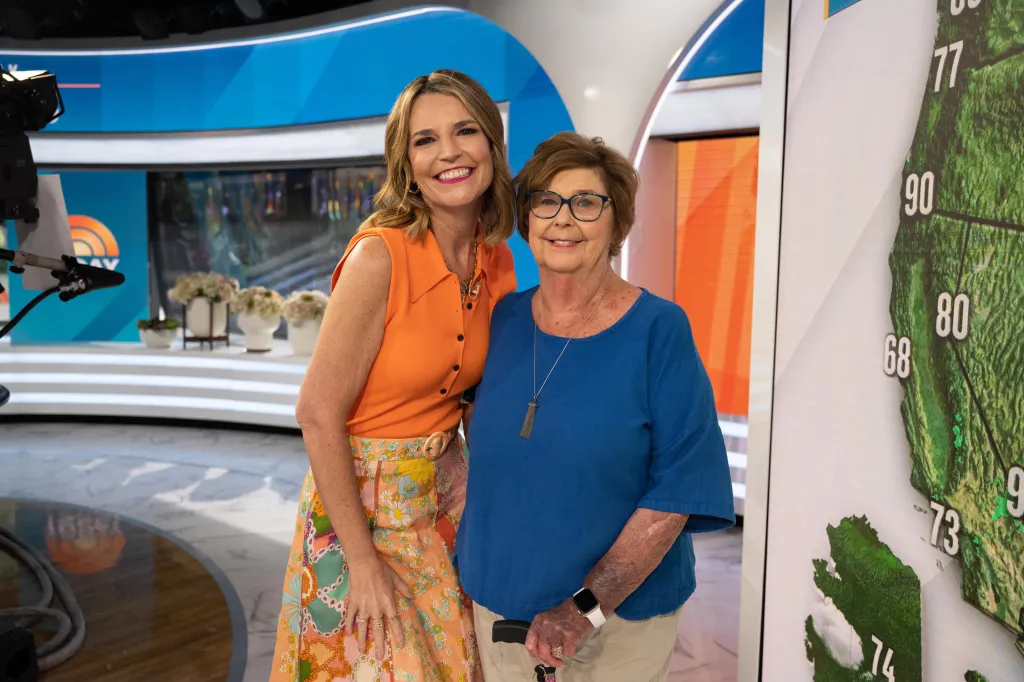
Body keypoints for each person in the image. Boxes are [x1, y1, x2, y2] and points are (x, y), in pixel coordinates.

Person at [455, 131, 736, 682]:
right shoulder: (503, 320)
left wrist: (584, 608)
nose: (563, 219)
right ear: (526, 218)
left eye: (586, 203)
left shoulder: (659, 330)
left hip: (616, 625)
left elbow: (676, 495)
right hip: (498, 607)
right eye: (546, 201)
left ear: (616, 223)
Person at [270, 69, 517, 682]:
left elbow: (476, 399)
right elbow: (316, 413)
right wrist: (361, 562)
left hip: (447, 502)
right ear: (406, 164)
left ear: (492, 143)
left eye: (465, 131)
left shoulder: (496, 258)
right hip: (361, 513)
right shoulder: (378, 255)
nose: (449, 152)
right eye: (424, 140)